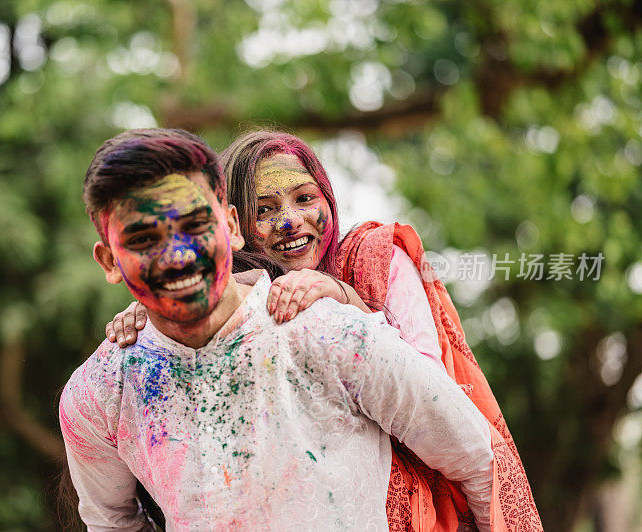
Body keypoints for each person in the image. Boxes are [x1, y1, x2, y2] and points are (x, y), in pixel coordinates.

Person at [60, 128, 495, 530]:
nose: (178, 256)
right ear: (110, 261)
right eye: (143, 240)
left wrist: (345, 298)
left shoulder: (333, 332)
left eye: (194, 226)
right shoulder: (101, 389)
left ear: (229, 227)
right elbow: (111, 524)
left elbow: (475, 457)